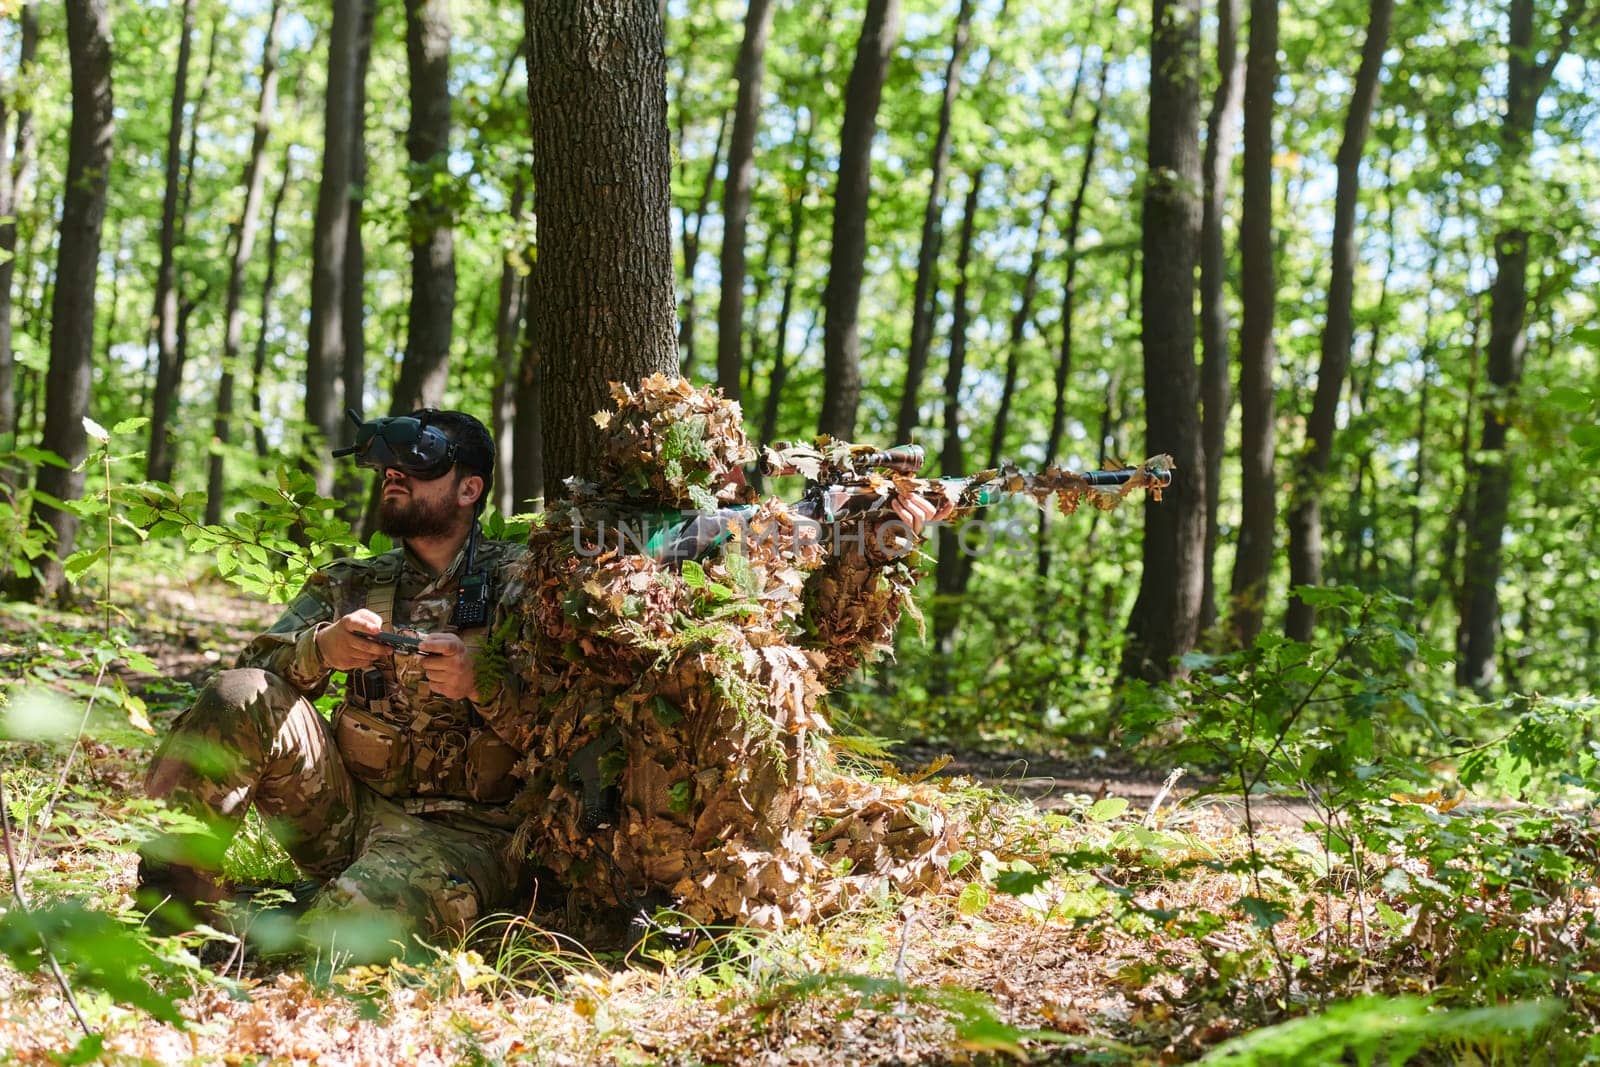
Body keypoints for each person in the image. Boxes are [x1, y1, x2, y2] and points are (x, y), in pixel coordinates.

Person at [136, 409, 529, 959]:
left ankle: (301, 932)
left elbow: (574, 731)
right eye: (386, 467)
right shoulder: (354, 582)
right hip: (346, 814)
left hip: (472, 838)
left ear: (469, 488)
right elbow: (240, 684)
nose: (393, 475)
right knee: (241, 691)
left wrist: (482, 685)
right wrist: (321, 649)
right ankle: (168, 912)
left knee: (333, 943)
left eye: (415, 465)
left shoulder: (525, 584)